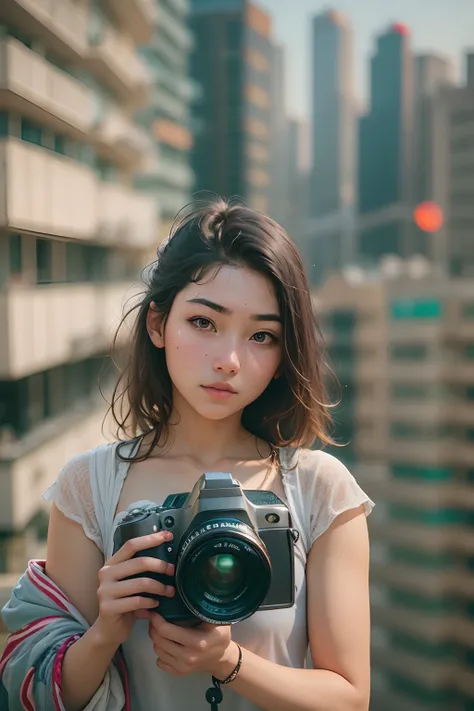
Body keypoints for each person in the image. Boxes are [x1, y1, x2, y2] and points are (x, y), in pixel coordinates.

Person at [2, 198, 374, 711]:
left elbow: (351, 699)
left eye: (261, 336)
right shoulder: (90, 485)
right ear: (158, 324)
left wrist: (228, 662)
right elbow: (44, 696)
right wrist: (106, 629)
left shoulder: (318, 489)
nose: (228, 360)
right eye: (204, 322)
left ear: (283, 355)